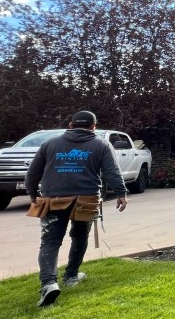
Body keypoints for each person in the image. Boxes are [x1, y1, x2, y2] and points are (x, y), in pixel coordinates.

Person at [25, 110, 128, 307]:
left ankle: (49, 283)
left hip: (52, 199)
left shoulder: (49, 144)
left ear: (71, 125)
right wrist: (121, 193)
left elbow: (32, 173)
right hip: (86, 200)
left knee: (50, 241)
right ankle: (71, 276)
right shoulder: (101, 144)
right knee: (80, 236)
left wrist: (33, 195)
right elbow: (111, 172)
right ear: (93, 126)